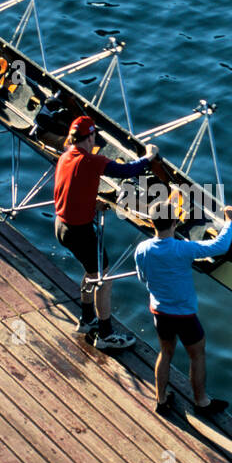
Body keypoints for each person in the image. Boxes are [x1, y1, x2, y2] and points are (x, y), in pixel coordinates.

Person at [53, 115, 158, 350]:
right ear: (89, 138)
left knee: (91, 272)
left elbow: (71, 188)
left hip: (61, 226)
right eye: (93, 136)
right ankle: (105, 335)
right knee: (104, 279)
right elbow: (126, 170)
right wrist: (149, 156)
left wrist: (93, 204)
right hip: (80, 231)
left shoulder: (65, 156)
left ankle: (87, 319)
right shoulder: (92, 161)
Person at [134, 200, 232, 416]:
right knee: (197, 354)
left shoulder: (142, 249)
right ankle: (201, 402)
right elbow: (220, 246)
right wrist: (229, 221)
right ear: (174, 222)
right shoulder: (184, 248)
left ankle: (161, 400)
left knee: (166, 352)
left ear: (152, 223)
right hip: (184, 314)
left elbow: (143, 278)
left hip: (159, 312)